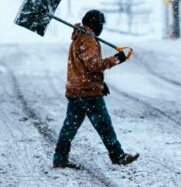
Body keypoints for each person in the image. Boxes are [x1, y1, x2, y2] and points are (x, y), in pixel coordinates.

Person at [53, 9, 139, 169]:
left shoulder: (79, 36)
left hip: (77, 89)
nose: (102, 28)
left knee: (69, 127)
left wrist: (99, 83)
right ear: (95, 23)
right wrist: (115, 59)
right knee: (104, 125)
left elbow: (82, 67)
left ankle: (60, 157)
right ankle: (118, 155)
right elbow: (93, 65)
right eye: (101, 24)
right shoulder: (88, 39)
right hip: (88, 93)